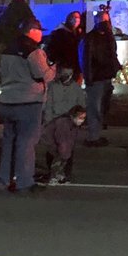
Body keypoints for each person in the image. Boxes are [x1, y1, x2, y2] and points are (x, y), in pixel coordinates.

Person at [0, 18, 55, 193]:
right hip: (28, 101)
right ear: (32, 31)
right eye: (40, 31)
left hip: (7, 100)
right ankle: (24, 182)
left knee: (8, 142)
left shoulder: (7, 50)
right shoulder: (33, 51)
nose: (41, 34)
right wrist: (53, 68)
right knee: (27, 142)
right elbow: (42, 74)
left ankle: (3, 181)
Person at [40, 34, 85, 185]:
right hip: (55, 120)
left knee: (67, 149)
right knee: (53, 148)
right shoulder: (53, 86)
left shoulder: (76, 88)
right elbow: (48, 104)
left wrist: (77, 121)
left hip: (68, 122)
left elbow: (81, 105)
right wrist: (47, 121)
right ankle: (52, 173)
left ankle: (65, 174)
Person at [78, 8, 120, 147]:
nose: (105, 24)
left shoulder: (108, 37)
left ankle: (97, 133)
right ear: (96, 21)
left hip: (106, 77)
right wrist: (88, 76)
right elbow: (85, 58)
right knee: (94, 107)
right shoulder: (90, 38)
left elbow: (113, 54)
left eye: (107, 21)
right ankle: (93, 136)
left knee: (102, 107)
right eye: (103, 21)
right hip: (95, 78)